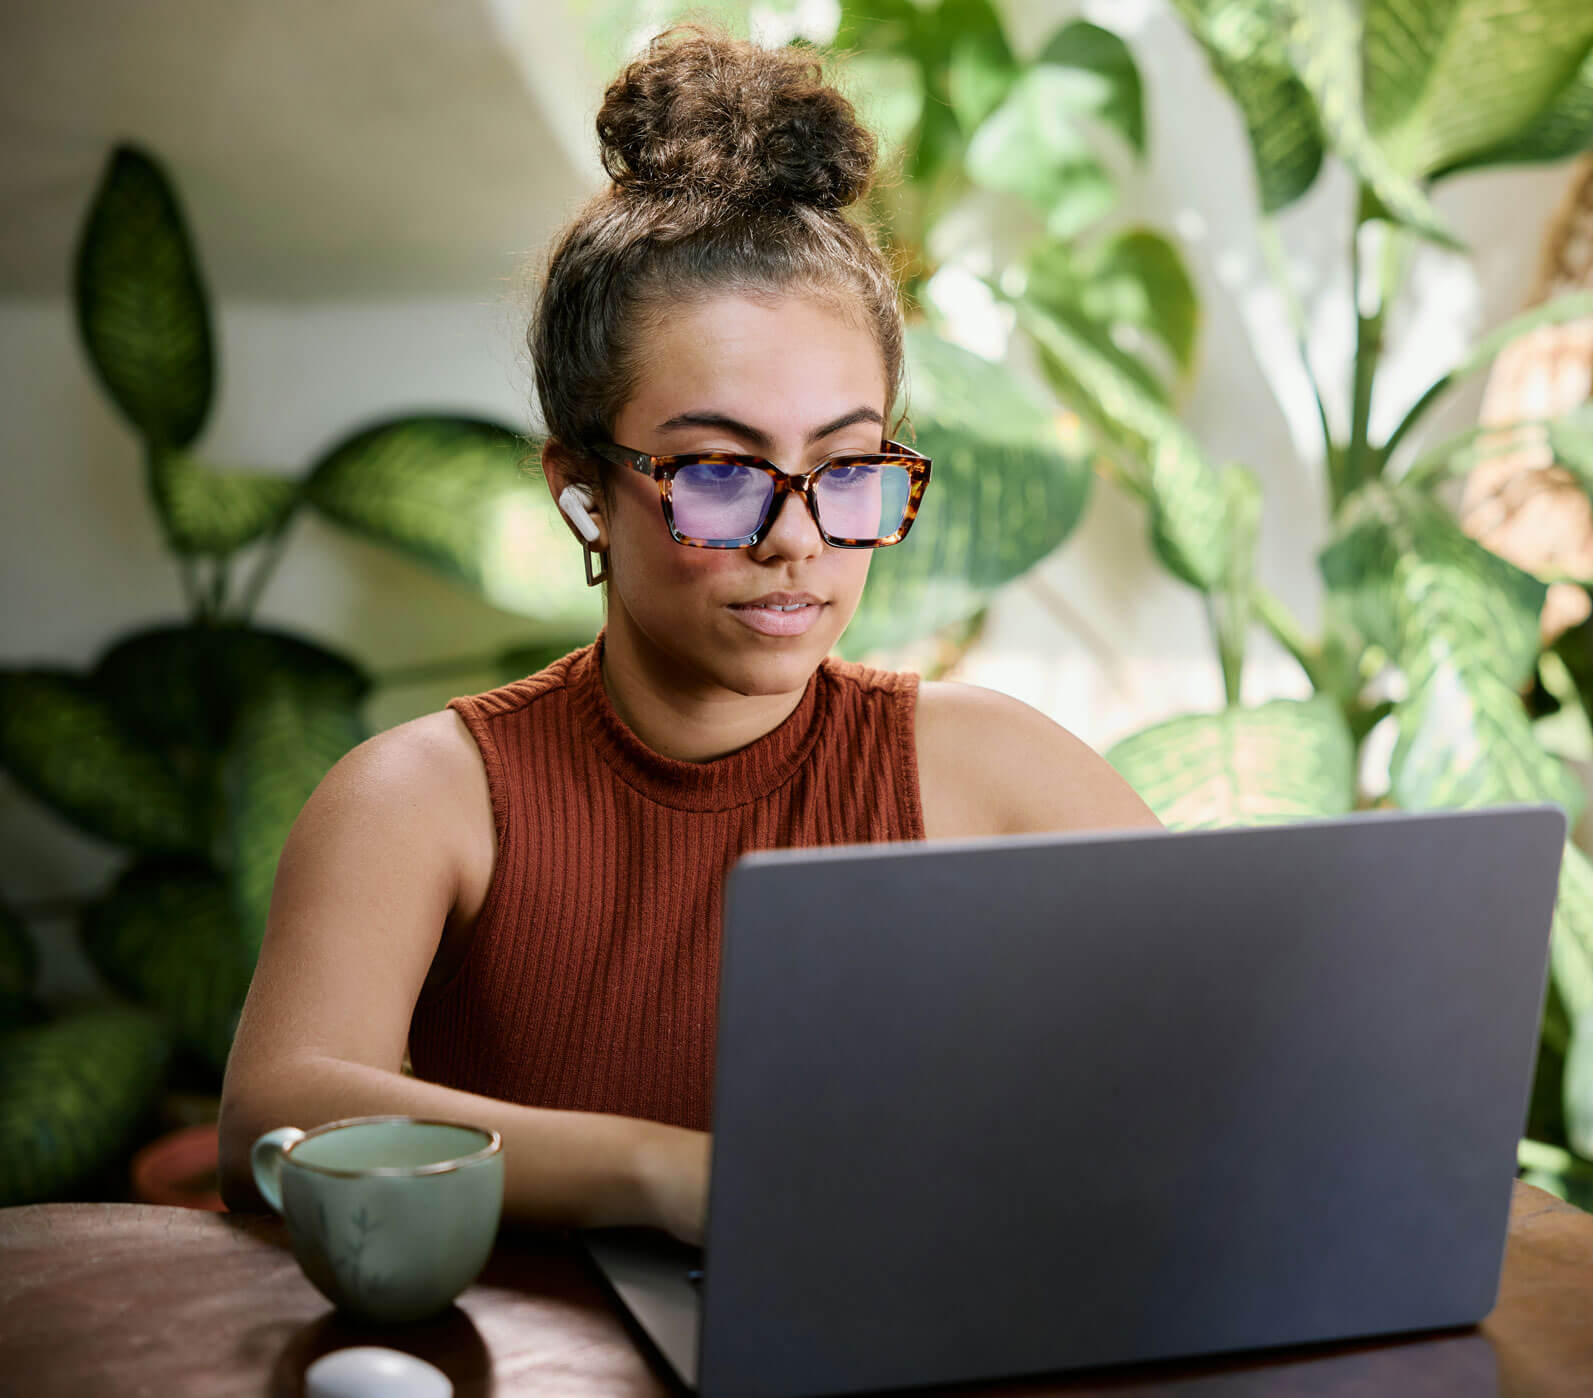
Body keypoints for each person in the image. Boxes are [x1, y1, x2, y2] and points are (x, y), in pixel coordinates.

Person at [216, 24, 1159, 1243]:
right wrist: (667, 1177)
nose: (798, 540)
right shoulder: (423, 798)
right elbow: (270, 1123)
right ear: (584, 489)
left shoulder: (988, 768)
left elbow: (1237, 1026)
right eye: (720, 471)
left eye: (847, 467)